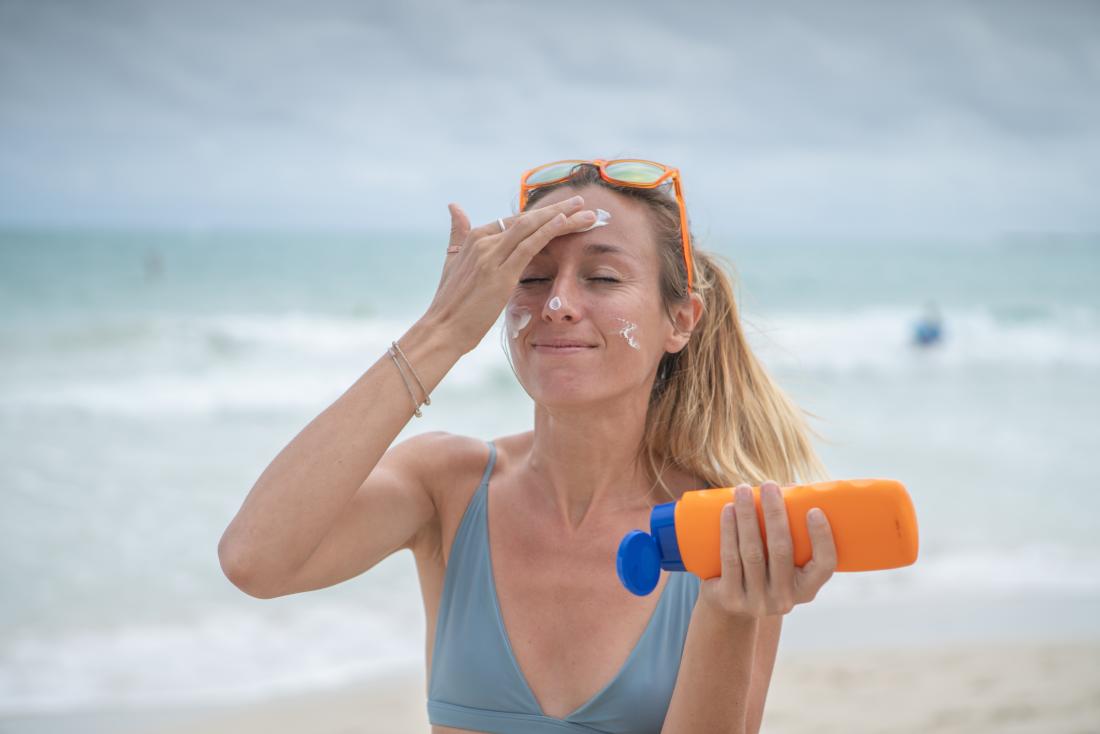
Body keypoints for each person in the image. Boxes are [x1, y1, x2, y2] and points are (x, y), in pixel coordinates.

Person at [218, 159, 838, 734]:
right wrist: (441, 332)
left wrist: (731, 613)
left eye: (602, 276)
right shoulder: (448, 486)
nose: (559, 305)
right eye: (532, 279)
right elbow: (255, 559)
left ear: (680, 321)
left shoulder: (725, 526)